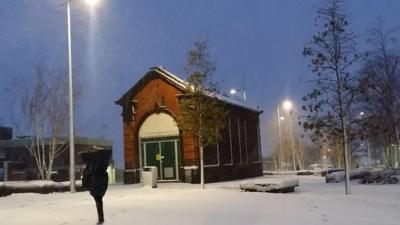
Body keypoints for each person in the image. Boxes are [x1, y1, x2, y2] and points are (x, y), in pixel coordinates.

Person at [82, 151, 110, 224]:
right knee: (99, 202)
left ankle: (101, 218)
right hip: (98, 188)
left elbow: (87, 175)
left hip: (96, 188)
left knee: (98, 202)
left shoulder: (95, 169)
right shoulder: (101, 169)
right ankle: (101, 218)